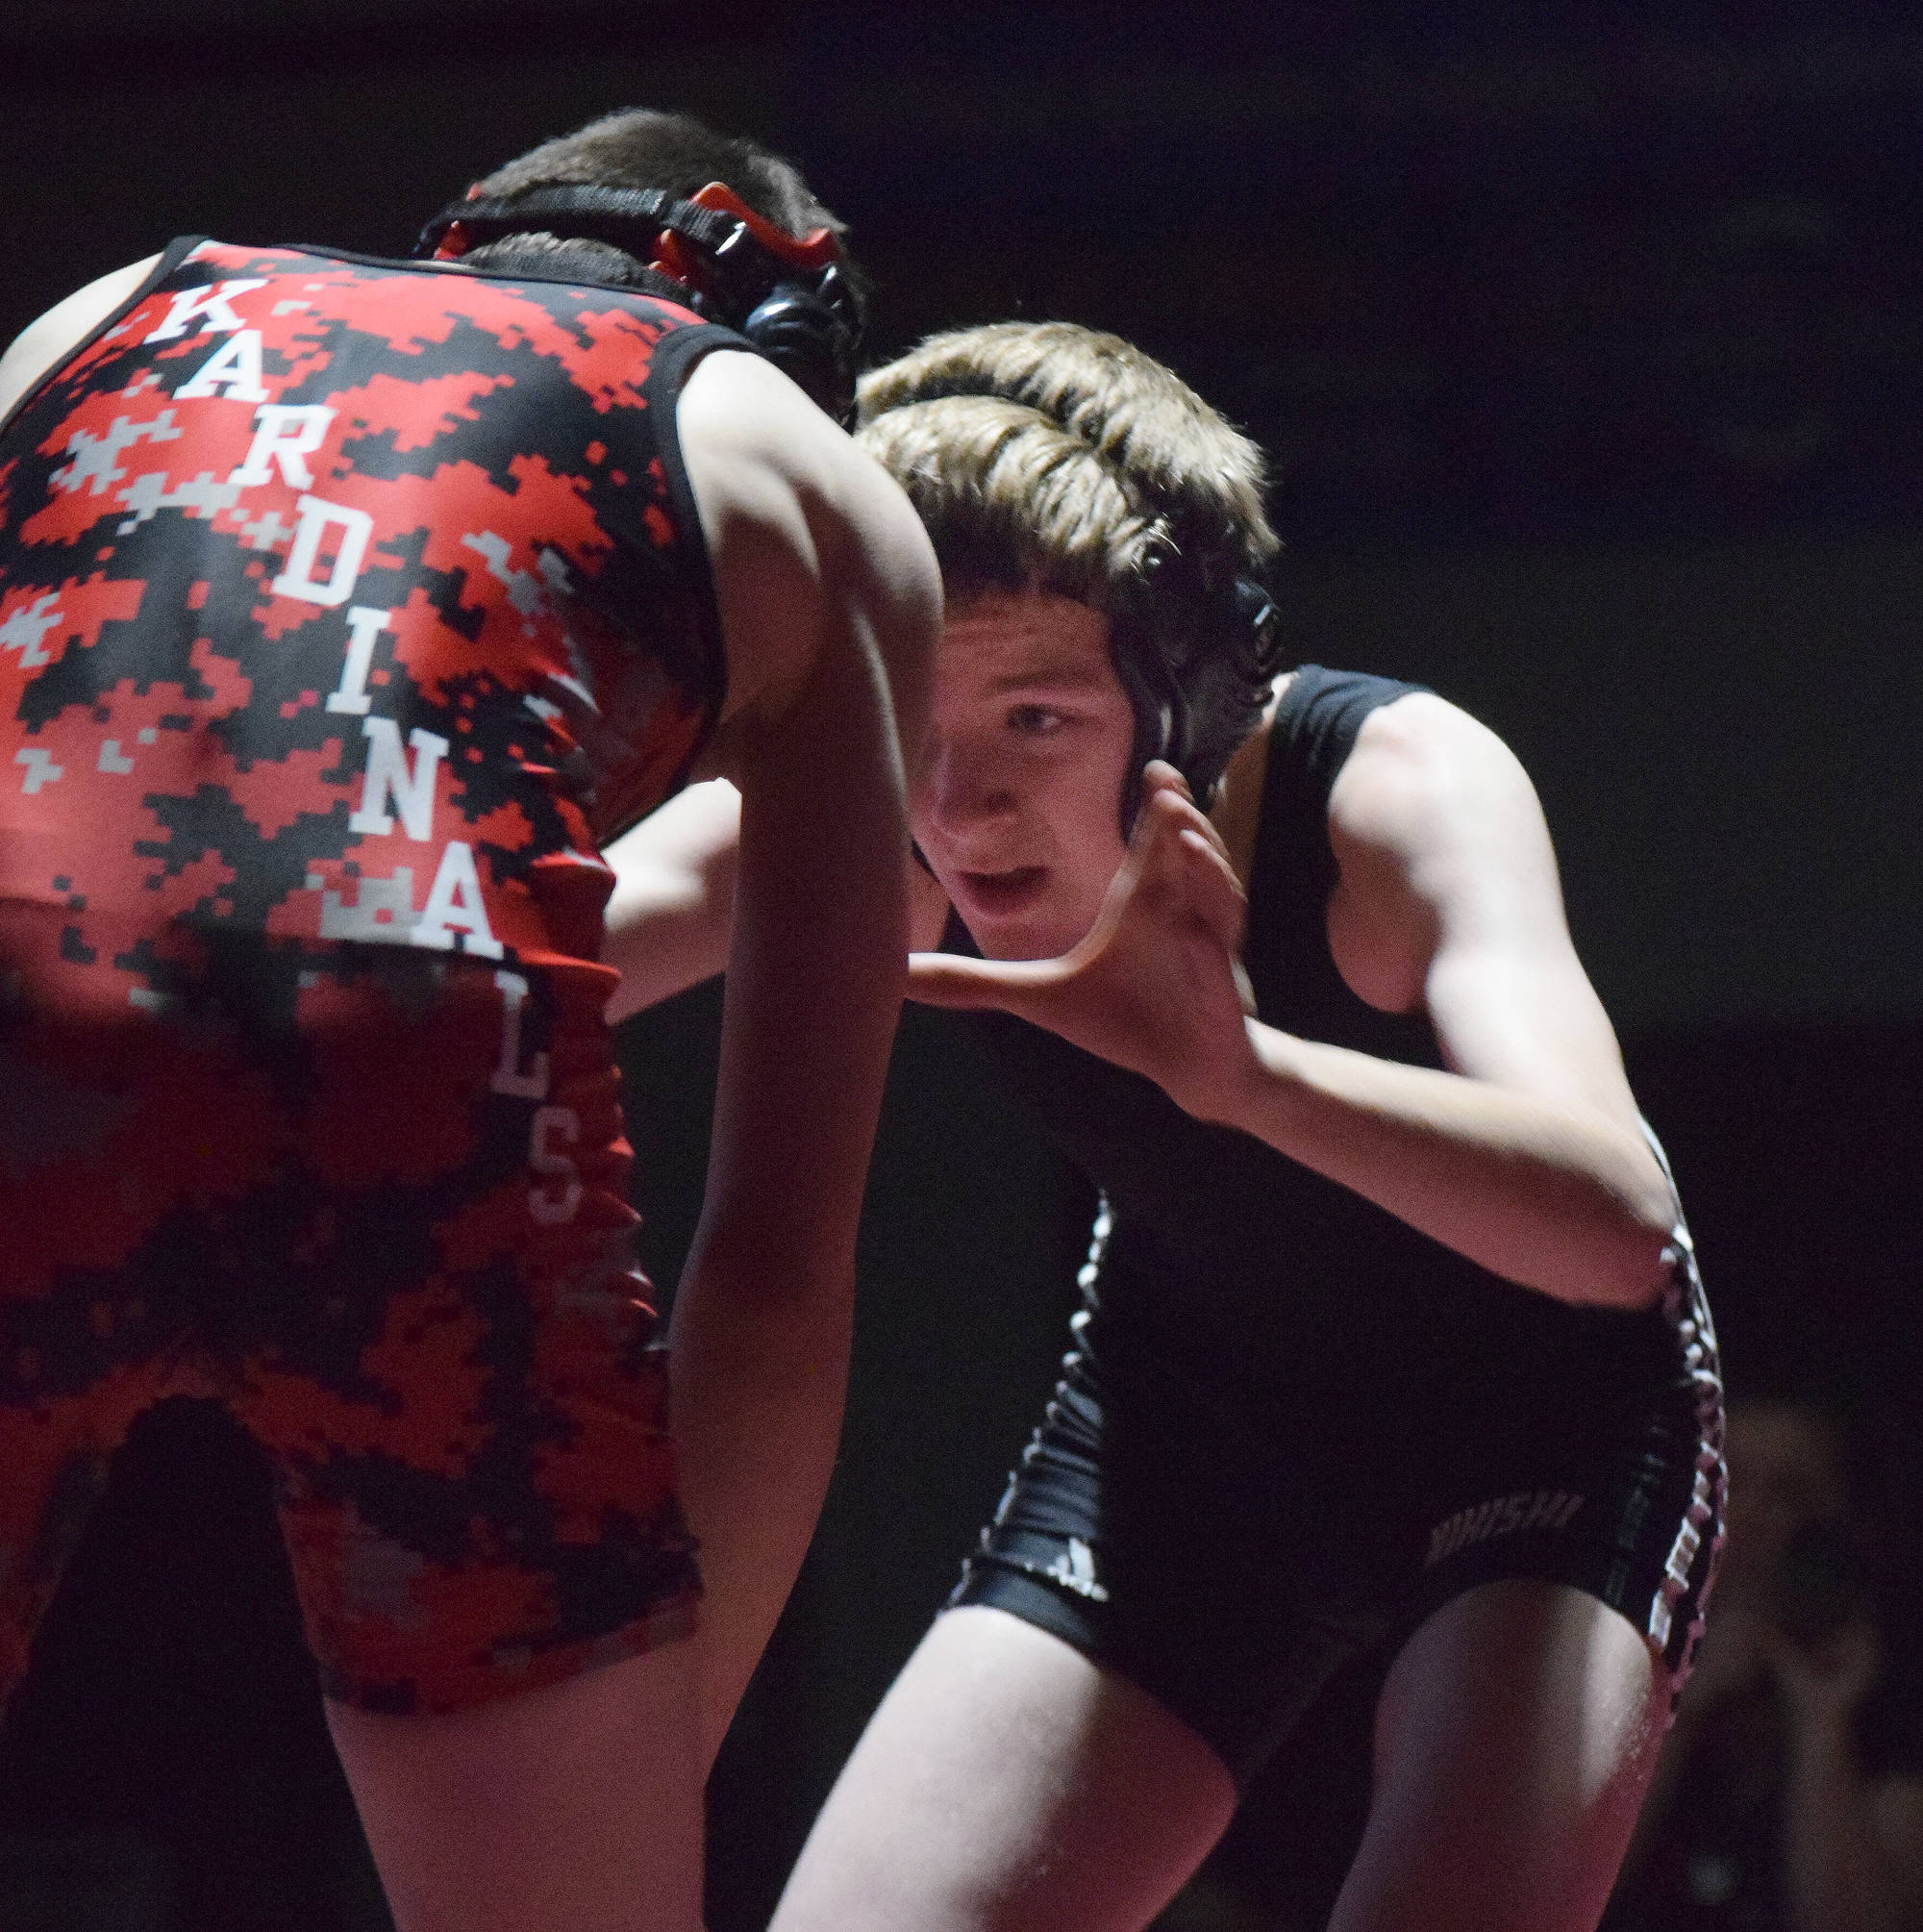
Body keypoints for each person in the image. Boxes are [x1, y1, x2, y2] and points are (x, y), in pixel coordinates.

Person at [605, 319, 1724, 1932]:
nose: (967, 806)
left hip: (1542, 1427)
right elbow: (509, 948)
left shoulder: (1395, 796)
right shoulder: (892, 807)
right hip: (1201, 1429)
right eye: (909, 729)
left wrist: (1244, 1072)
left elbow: (1622, 1223)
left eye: (1039, 723)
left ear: (1191, 697)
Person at [0, 108, 937, 1932]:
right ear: (778, 322)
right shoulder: (801, 471)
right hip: (423, 1095)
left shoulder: (111, 310)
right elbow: (775, 1266)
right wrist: (615, 1790)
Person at [1605, 1393, 1923, 1932]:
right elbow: (1552, 1891)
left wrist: (1821, 1717)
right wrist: (1684, 1703)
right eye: (1732, 1484)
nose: (1750, 1519)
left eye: (1788, 1493)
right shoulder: (1614, 1649)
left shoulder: (1884, 1688)